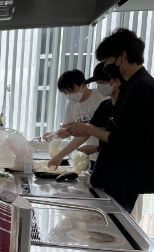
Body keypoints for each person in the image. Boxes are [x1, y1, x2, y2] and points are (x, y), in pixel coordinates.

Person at [66, 28, 154, 213]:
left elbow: (126, 139)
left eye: (108, 60)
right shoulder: (131, 87)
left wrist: (89, 130)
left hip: (126, 177)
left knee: (116, 230)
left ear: (122, 55)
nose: (107, 65)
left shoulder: (141, 88)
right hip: (116, 176)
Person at [48, 63, 117, 168]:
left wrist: (97, 147)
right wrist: (56, 135)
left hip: (107, 156)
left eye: (70, 91)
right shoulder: (72, 105)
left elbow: (89, 131)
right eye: (65, 93)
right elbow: (71, 130)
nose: (68, 95)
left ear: (83, 85)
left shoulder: (101, 99)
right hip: (90, 156)